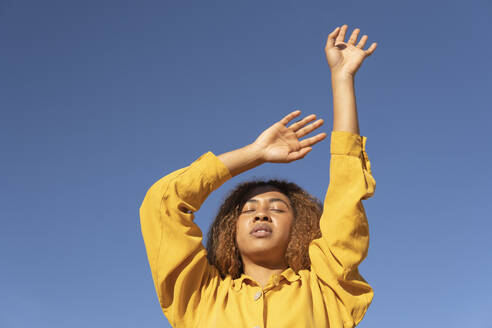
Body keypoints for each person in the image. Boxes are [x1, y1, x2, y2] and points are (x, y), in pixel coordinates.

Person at [140, 25, 378, 328]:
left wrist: (342, 79)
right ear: (231, 229)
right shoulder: (200, 296)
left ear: (300, 228)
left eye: (277, 209)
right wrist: (254, 153)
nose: (261, 215)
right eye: (248, 210)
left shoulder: (327, 290)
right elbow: (162, 206)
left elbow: (346, 195)